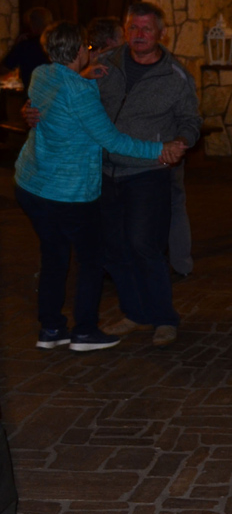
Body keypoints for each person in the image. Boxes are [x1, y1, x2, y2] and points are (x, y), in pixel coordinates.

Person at [14, 22, 185, 351]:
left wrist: (82, 74)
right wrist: (160, 149)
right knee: (91, 261)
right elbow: (112, 140)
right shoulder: (81, 91)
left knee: (54, 257)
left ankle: (51, 329)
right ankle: (84, 332)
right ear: (80, 50)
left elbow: (58, 94)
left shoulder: (40, 75)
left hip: (32, 185)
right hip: (69, 193)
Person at [97, 3, 201, 347]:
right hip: (104, 170)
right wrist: (37, 108)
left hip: (147, 172)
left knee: (144, 245)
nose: (138, 35)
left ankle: (163, 317)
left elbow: (190, 120)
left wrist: (181, 142)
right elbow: (74, 96)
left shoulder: (175, 75)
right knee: (113, 248)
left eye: (146, 29)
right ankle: (135, 313)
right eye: (133, 28)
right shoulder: (105, 64)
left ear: (161, 33)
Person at [1, 7, 53, 88]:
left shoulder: (25, 46)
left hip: (34, 93)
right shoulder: (57, 44)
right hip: (58, 93)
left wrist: (15, 46)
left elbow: (4, 69)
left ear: (32, 25)